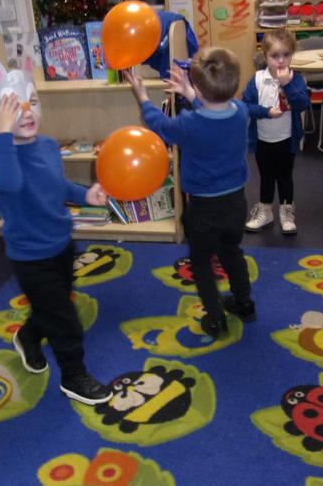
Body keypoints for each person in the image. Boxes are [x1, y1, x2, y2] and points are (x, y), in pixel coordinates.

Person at [0, 59, 112, 405]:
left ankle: (28, 336)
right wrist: (4, 136)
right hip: (30, 257)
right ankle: (74, 376)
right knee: (65, 320)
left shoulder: (49, 145)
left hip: (61, 245)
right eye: (13, 107)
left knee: (53, 306)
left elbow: (57, 185)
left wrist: (85, 195)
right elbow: (10, 184)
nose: (26, 111)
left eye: (32, 101)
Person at [123, 48, 258, 338]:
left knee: (201, 261)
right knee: (232, 252)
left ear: (198, 86)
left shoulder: (189, 124)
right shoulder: (241, 111)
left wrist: (143, 98)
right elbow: (215, 114)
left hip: (204, 208)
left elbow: (161, 125)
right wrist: (192, 94)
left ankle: (216, 319)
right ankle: (245, 304)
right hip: (236, 202)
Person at [241, 30, 309, 235]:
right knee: (266, 177)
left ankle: (286, 213)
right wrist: (265, 112)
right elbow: (245, 106)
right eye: (274, 56)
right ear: (265, 56)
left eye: (286, 55)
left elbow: (302, 104)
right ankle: (265, 212)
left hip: (286, 140)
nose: (280, 61)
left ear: (292, 55)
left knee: (285, 177)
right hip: (262, 140)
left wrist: (287, 85)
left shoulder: (295, 79)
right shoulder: (257, 79)